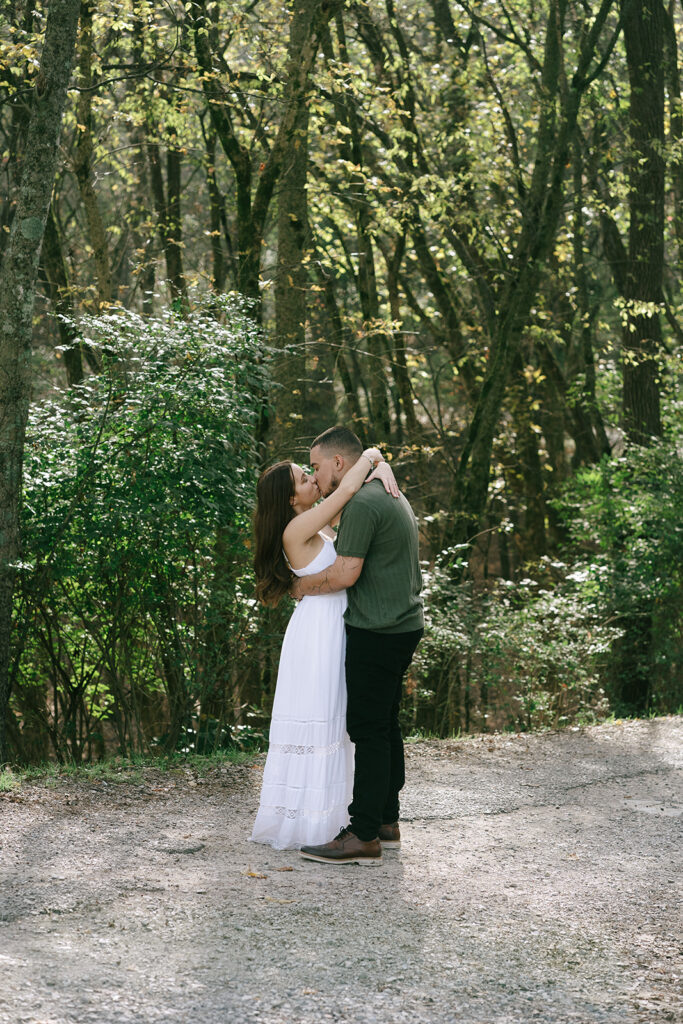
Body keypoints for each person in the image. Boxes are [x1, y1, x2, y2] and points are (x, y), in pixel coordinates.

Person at [250, 446, 399, 850]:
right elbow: (347, 489)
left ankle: (347, 816)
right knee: (325, 716)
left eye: (308, 472)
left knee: (344, 720)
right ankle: (312, 822)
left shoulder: (319, 527)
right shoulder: (295, 530)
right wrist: (371, 455)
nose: (313, 480)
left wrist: (383, 471)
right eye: (303, 478)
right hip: (319, 633)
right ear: (290, 499)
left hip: (339, 626)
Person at [292, 426, 424, 866]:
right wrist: (376, 458)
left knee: (368, 732)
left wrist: (300, 586)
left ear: (339, 463)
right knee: (385, 725)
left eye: (316, 466)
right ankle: (387, 820)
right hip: (401, 624)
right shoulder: (378, 492)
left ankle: (363, 834)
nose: (315, 473)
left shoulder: (366, 503)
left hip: (379, 630)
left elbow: (345, 573)